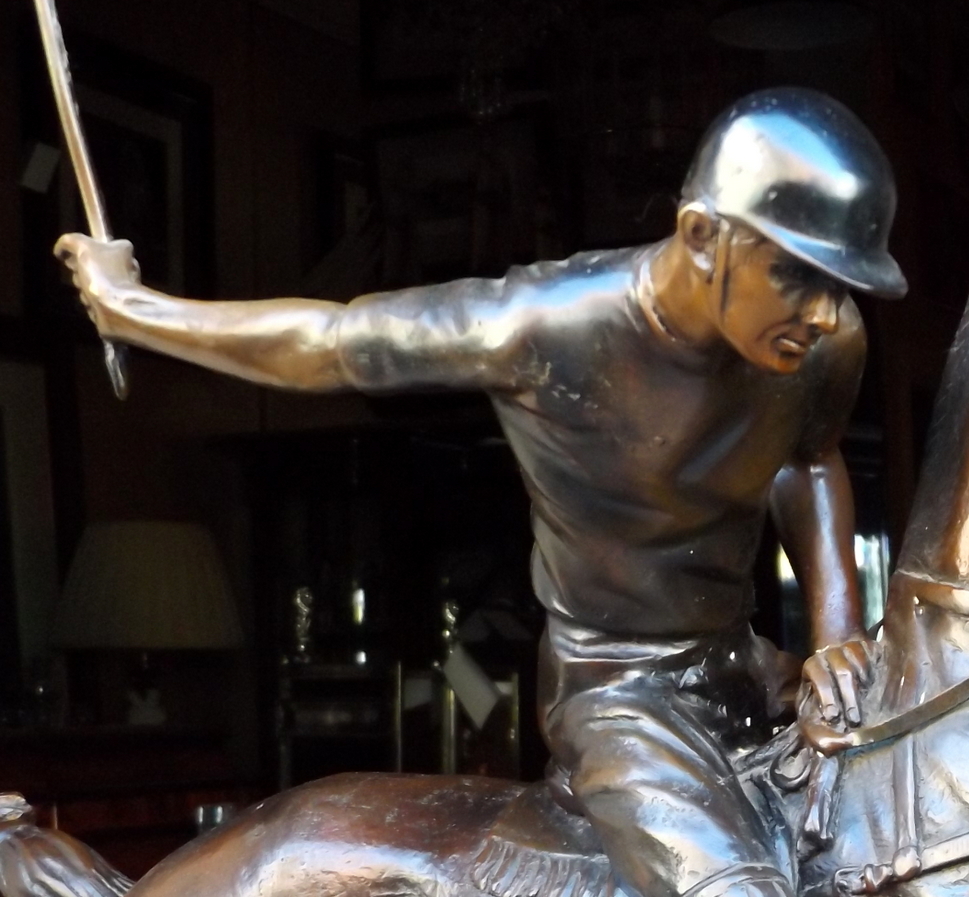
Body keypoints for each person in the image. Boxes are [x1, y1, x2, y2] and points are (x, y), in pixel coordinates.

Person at [55, 86, 905, 897]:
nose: (828, 312)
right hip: (620, 696)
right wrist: (135, 311)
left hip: (744, 667)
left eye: (841, 286)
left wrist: (833, 628)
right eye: (800, 276)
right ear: (702, 235)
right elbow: (332, 341)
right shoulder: (544, 327)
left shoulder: (823, 347)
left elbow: (810, 454)